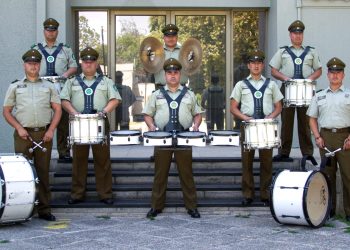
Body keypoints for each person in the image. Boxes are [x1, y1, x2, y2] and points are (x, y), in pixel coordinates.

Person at [3, 49, 62, 221]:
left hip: (44, 134)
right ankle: (23, 209)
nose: (33, 66)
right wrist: (18, 128)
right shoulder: (15, 86)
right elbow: (6, 112)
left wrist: (51, 130)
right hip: (23, 135)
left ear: (39, 65)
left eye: (36, 63)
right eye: (30, 63)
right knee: (23, 174)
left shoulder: (48, 86)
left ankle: (44, 209)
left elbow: (57, 110)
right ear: (24, 65)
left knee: (43, 173)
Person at [60, 47, 121, 205]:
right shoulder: (71, 81)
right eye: (85, 61)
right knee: (79, 160)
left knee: (102, 160)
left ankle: (105, 194)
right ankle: (77, 194)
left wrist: (104, 112)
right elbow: (64, 99)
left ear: (96, 63)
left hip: (99, 122)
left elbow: (115, 99)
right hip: (79, 123)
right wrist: (74, 113)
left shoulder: (106, 81)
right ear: (81, 63)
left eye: (91, 61)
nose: (88, 64)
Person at [143, 58, 202, 218]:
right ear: (165, 75)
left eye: (176, 72)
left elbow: (197, 114)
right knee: (160, 174)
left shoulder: (189, 94)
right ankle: (156, 206)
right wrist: (151, 127)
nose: (173, 75)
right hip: (162, 137)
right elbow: (148, 114)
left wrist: (196, 125)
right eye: (169, 72)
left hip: (184, 137)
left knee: (186, 174)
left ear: (180, 74)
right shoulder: (157, 95)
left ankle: (192, 207)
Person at [230, 49, 283, 206]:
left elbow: (279, 106)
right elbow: (233, 107)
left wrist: (271, 116)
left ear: (262, 65)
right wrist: (245, 118)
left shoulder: (271, 84)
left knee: (266, 162)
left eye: (259, 63)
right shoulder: (241, 85)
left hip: (266, 126)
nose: (256, 66)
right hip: (248, 126)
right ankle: (248, 194)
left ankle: (265, 195)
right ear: (248, 65)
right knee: (247, 161)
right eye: (253, 63)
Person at [269, 20, 322, 161]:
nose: (298, 36)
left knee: (305, 121)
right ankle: (284, 152)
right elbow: (273, 70)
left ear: (302, 35)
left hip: (305, 90)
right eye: (295, 33)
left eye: (300, 33)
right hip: (287, 89)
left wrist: (309, 79)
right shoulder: (282, 52)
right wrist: (285, 78)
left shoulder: (311, 51)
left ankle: (308, 153)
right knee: (286, 122)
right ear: (290, 35)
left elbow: (319, 70)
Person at [307, 57, 350, 221]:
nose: (335, 75)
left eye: (338, 72)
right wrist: (317, 137)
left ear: (343, 75)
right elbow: (312, 118)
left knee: (348, 176)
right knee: (327, 176)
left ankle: (349, 212)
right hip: (325, 139)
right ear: (327, 74)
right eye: (332, 72)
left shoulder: (348, 94)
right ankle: (329, 211)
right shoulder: (319, 96)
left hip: (345, 138)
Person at [32, 18, 78, 162]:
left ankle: (63, 152)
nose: (50, 33)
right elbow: (31, 66)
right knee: (44, 120)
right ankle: (43, 151)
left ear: (57, 32)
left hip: (61, 89)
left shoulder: (66, 49)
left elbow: (74, 66)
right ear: (44, 31)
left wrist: (65, 75)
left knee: (64, 121)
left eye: (53, 30)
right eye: (48, 30)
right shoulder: (36, 49)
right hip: (42, 90)